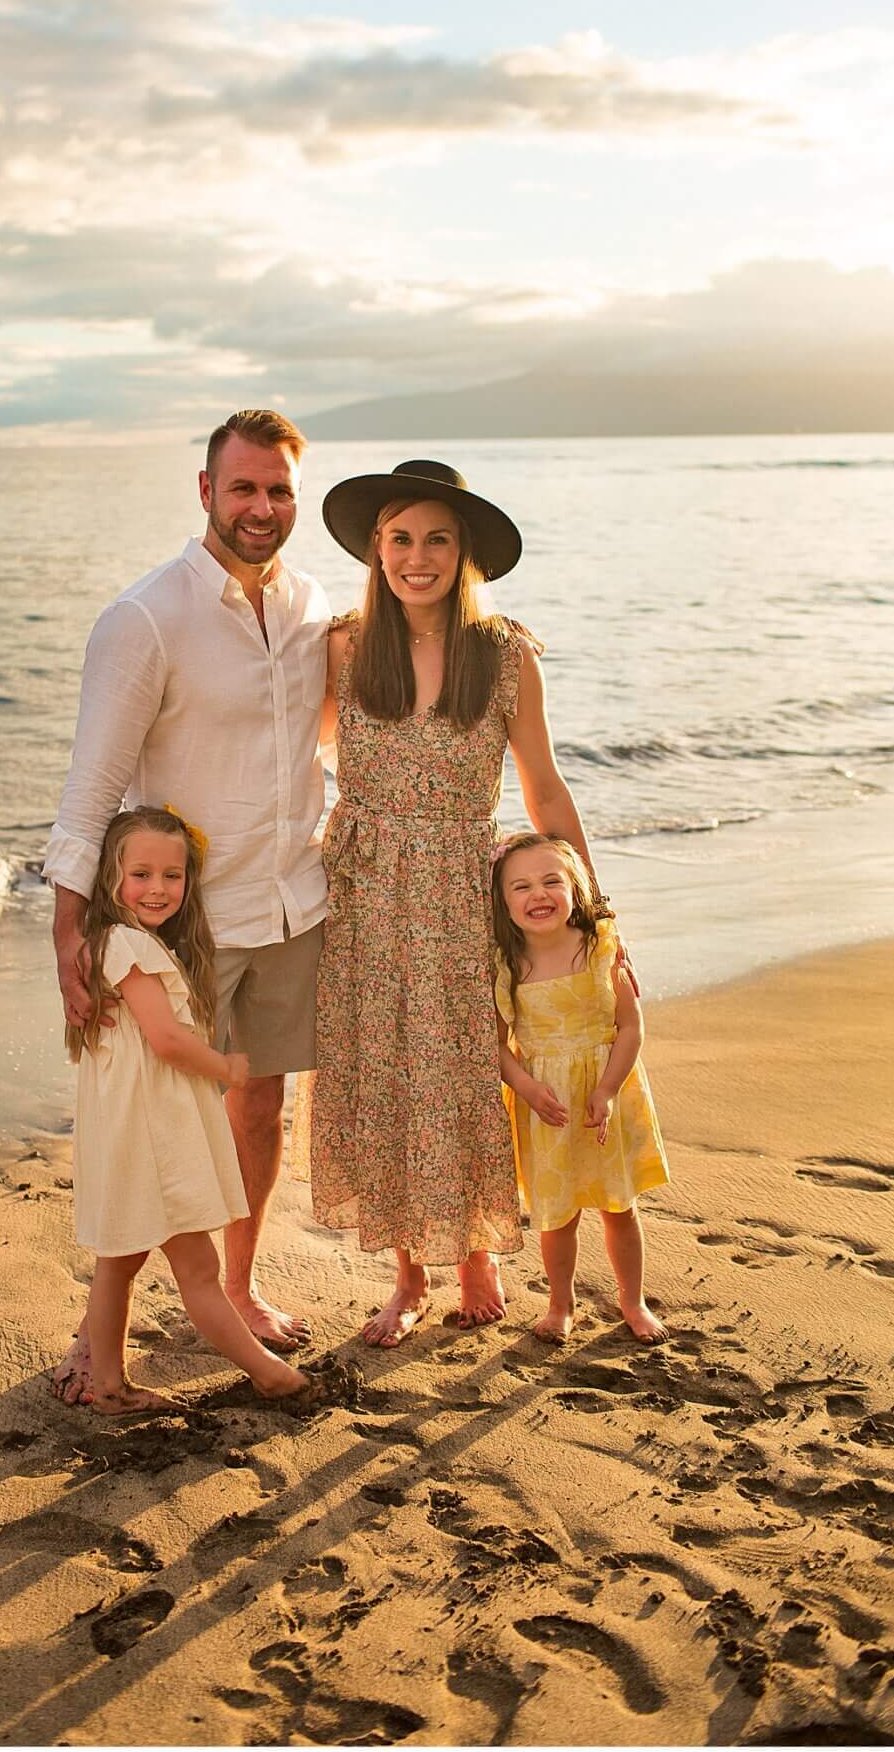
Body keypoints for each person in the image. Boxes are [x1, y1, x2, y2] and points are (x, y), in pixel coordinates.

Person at [46, 407, 329, 1373]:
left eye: (279, 489)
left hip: (294, 903)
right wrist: (67, 936)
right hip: (186, 931)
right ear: (205, 491)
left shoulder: (312, 609)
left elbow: (340, 734)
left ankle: (236, 1287)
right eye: (243, 487)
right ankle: (106, 1329)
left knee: (261, 1108)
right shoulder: (143, 617)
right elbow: (91, 787)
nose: (261, 506)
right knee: (160, 1126)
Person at [309, 459, 599, 1347]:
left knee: (470, 1065)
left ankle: (476, 1247)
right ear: (376, 548)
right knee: (383, 1073)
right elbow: (281, 759)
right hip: (360, 888)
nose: (417, 556)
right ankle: (406, 1276)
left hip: (456, 884)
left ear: (464, 550)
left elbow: (542, 787)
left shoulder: (505, 654)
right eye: (399, 538)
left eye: (437, 538)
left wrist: (595, 911)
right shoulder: (345, 646)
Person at [54, 806, 308, 1412]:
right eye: (140, 874)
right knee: (197, 1267)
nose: (158, 889)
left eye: (173, 875)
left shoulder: (117, 943)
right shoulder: (128, 946)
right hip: (153, 1138)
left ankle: (110, 1386)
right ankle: (272, 1376)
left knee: (118, 1262)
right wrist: (225, 1067)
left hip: (131, 1131)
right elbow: (166, 1040)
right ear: (109, 880)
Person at [493, 832, 669, 1343]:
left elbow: (631, 1027)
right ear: (504, 903)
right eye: (521, 886)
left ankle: (632, 1301)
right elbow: (496, 1044)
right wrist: (525, 1086)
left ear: (576, 887)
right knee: (557, 1214)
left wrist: (608, 1089)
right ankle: (559, 1304)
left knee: (619, 1206)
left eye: (552, 881)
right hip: (547, 1102)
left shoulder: (602, 946)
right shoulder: (507, 963)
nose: (538, 894)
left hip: (606, 1091)